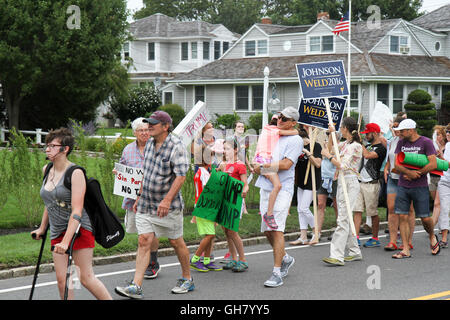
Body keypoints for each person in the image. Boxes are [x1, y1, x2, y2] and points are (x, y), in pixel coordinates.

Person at [115, 111, 193, 299]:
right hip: (146, 203)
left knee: (176, 241)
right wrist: (139, 196)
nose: (149, 126)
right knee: (144, 241)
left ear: (165, 127)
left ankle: (187, 278)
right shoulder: (149, 143)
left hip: (168, 205)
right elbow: (146, 173)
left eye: (153, 124)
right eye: (148, 123)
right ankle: (136, 286)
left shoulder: (177, 147)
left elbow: (181, 176)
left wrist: (166, 200)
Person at [32, 128, 112, 300]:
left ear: (65, 149)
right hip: (57, 231)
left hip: (79, 229)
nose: (47, 149)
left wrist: (66, 241)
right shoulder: (47, 169)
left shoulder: (75, 173)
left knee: (85, 278)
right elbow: (50, 201)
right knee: (63, 281)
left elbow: (77, 209)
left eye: (52, 146)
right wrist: (42, 228)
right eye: (47, 145)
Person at [254, 106, 303, 287]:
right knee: (267, 230)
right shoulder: (273, 134)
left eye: (285, 118)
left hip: (282, 189)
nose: (280, 120)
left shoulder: (295, 140)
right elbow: (260, 154)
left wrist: (262, 169)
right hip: (265, 186)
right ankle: (285, 258)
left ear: (293, 122)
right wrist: (256, 164)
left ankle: (276, 273)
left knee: (276, 229)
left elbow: (285, 164)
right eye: (280, 117)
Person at [116, 117, 160, 279]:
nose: (144, 133)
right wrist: (119, 173)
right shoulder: (128, 149)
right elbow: (122, 166)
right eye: (141, 130)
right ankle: (146, 260)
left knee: (151, 232)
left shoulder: (157, 147)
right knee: (141, 234)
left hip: (153, 198)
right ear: (135, 132)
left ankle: (152, 262)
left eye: (147, 130)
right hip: (133, 199)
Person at [392, 119, 440, 259]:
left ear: (411, 130)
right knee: (402, 215)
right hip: (403, 185)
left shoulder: (425, 142)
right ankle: (405, 249)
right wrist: (408, 173)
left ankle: (432, 236)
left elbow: (433, 163)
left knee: (425, 218)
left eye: (402, 131)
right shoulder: (401, 142)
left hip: (420, 185)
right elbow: (397, 163)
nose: (400, 133)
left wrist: (417, 174)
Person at [322, 117, 363, 266]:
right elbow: (332, 149)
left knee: (343, 219)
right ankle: (354, 251)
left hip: (350, 182)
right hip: (342, 181)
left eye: (341, 128)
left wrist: (328, 156)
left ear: (345, 128)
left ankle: (337, 255)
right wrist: (330, 134)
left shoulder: (356, 146)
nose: (340, 129)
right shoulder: (346, 144)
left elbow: (342, 165)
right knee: (346, 218)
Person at [253, 113, 299, 230]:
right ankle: (269, 214)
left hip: (260, 160)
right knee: (278, 185)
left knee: (276, 185)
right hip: (264, 161)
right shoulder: (273, 130)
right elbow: (294, 132)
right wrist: (297, 131)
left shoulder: (266, 129)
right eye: (279, 119)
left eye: (282, 119)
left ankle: (268, 213)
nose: (280, 122)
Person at [383, 117, 415, 251]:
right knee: (391, 208)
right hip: (393, 178)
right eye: (395, 128)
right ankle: (392, 241)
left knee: (408, 210)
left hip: (406, 179)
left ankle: (408, 240)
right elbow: (391, 157)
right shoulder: (393, 141)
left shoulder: (410, 142)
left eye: (399, 129)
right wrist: (387, 167)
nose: (397, 131)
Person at [353, 123, 386, 248]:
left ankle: (375, 238)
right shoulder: (367, 146)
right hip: (360, 182)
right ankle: (356, 238)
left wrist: (359, 142)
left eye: (368, 133)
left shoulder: (381, 148)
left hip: (372, 184)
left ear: (375, 133)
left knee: (372, 213)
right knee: (357, 210)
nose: (366, 136)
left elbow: (367, 155)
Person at [190, 144, 223, 272]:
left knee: (211, 234)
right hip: (205, 207)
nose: (212, 160)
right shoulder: (203, 172)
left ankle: (207, 260)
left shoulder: (205, 171)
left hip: (208, 206)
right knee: (209, 235)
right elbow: (208, 190)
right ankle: (195, 259)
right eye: (210, 157)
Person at [218, 137, 249, 272]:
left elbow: (245, 184)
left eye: (228, 149)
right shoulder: (225, 164)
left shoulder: (240, 165)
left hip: (235, 202)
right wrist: (219, 170)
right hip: (225, 200)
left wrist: (244, 192)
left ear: (236, 150)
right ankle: (233, 258)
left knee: (232, 231)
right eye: (224, 149)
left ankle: (243, 260)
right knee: (226, 230)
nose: (225, 151)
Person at [290, 127, 322, 245]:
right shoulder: (296, 148)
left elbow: (318, 164)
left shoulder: (315, 146)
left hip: (311, 181)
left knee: (304, 208)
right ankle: (303, 236)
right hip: (300, 181)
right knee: (300, 209)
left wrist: (308, 154)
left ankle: (316, 231)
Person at [318, 131, 339, 241]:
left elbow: (331, 151)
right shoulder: (324, 148)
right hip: (324, 178)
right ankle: (317, 232)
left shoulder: (340, 147)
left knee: (336, 205)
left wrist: (332, 133)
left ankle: (339, 229)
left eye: (329, 136)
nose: (327, 140)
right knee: (320, 204)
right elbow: (325, 152)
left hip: (335, 178)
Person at [430, 125, 447, 231]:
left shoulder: (447, 147)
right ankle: (444, 224)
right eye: (436, 135)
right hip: (433, 176)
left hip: (443, 178)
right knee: (437, 204)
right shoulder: (433, 148)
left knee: (438, 204)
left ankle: (431, 226)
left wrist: (441, 156)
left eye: (439, 134)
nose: (437, 137)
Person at [436, 124, 450, 248]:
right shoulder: (448, 146)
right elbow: (444, 165)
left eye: (449, 132)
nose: (447, 134)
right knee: (444, 209)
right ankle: (444, 238)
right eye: (447, 131)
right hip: (445, 181)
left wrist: (441, 159)